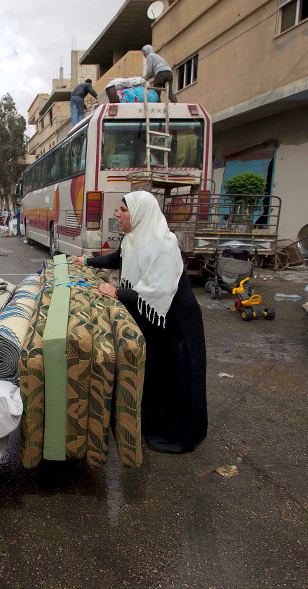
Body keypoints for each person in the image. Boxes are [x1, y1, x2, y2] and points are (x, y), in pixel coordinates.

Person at [72, 191, 207, 453]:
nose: (117, 214)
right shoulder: (133, 239)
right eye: (119, 209)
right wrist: (86, 261)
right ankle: (156, 427)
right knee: (157, 375)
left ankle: (181, 437)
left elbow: (155, 292)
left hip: (176, 322)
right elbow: (117, 258)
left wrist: (118, 292)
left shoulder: (163, 245)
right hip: (156, 319)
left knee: (178, 377)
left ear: (140, 213)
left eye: (123, 210)